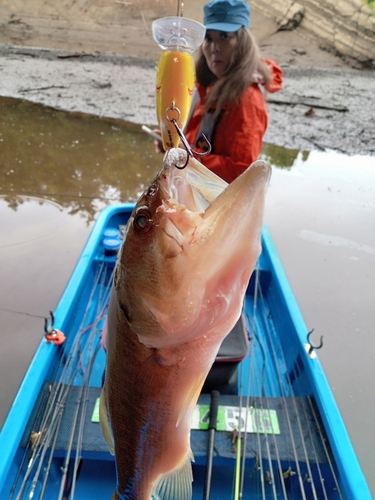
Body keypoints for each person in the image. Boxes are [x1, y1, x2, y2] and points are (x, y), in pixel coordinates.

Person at [156, 0, 283, 183]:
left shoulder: (248, 100)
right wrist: (171, 140)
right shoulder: (204, 85)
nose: (214, 48)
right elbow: (196, 137)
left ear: (242, 43)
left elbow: (241, 169)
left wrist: (186, 157)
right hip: (191, 189)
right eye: (208, 39)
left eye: (224, 37)